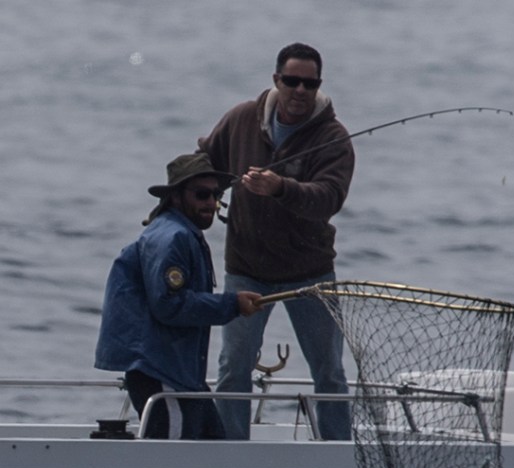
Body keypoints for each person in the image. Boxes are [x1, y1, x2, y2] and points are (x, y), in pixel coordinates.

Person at [197, 42, 355, 440]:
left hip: (311, 273)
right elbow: (204, 165)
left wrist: (280, 187)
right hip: (247, 269)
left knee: (330, 371)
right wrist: (199, 200)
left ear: (318, 85)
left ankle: (338, 454)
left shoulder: (333, 137)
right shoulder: (240, 120)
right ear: (276, 80)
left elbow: (328, 199)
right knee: (234, 366)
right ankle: (230, 455)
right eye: (292, 81)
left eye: (309, 83)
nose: (300, 91)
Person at [94, 153, 262, 439]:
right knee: (172, 462)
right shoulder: (173, 237)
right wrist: (231, 304)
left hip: (181, 374)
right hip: (160, 372)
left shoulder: (186, 233)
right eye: (201, 195)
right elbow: (169, 305)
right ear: (174, 197)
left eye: (216, 195)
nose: (211, 203)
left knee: (214, 450)